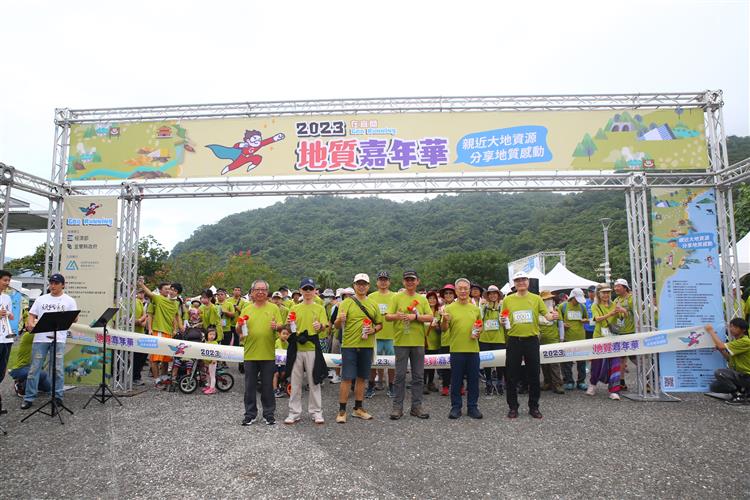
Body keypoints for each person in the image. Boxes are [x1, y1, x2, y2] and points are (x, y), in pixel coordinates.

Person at [502, 271, 558, 419]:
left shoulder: (536, 298)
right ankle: (513, 407)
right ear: (514, 283)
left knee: (533, 374)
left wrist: (552, 316)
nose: (521, 282)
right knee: (511, 375)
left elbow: (546, 315)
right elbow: (504, 317)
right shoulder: (508, 300)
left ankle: (534, 407)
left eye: (523, 280)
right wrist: (503, 320)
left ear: (528, 282)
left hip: (532, 340)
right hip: (514, 340)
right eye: (518, 280)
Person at [21, 273, 78, 410]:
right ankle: (29, 398)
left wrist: (69, 317)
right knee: (34, 368)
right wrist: (29, 324)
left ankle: (57, 396)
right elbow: (32, 314)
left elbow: (75, 319)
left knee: (57, 369)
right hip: (40, 339)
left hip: (58, 339)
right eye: (51, 283)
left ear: (63, 285)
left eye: (56, 283)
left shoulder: (69, 300)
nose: (52, 286)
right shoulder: (41, 299)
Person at [334, 274, 383, 423]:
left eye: (364, 284)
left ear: (368, 286)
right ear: (354, 285)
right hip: (349, 345)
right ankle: (342, 411)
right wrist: (339, 320)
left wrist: (373, 330)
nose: (361, 286)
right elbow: (335, 326)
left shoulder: (373, 304)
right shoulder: (346, 303)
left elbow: (380, 324)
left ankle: (358, 408)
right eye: (358, 283)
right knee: (347, 378)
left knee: (362, 377)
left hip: (367, 345)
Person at [385, 269, 432, 420]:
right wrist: (396, 316)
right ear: (403, 282)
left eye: (413, 279)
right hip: (400, 342)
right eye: (407, 280)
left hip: (418, 342)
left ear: (418, 281)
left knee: (418, 376)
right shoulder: (396, 297)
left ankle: (416, 407)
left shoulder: (422, 299)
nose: (410, 282)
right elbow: (387, 317)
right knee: (399, 376)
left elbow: (430, 317)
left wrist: (416, 316)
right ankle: (397, 407)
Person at [238, 279, 284, 426]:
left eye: (263, 289)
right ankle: (250, 414)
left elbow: (281, 327)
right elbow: (238, 331)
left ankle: (269, 414)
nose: (260, 292)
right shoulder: (246, 309)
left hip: (268, 354)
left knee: (267, 386)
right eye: (257, 289)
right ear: (252, 292)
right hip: (250, 354)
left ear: (267, 292)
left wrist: (276, 326)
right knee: (249, 387)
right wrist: (239, 326)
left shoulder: (274, 308)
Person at [284, 278, 328, 425]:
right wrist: (290, 325)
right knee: (295, 382)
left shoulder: (320, 308)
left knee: (313, 381)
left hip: (312, 347)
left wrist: (319, 326)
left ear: (315, 290)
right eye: (305, 289)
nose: (308, 292)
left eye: (310, 289)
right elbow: (289, 328)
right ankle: (294, 413)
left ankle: (316, 412)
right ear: (300, 290)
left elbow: (325, 326)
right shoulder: (295, 308)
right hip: (297, 347)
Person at [442, 278, 483, 419]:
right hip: (456, 349)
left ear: (470, 289)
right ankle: (456, 407)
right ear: (456, 290)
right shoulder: (449, 308)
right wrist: (445, 320)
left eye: (466, 288)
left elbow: (480, 327)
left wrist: (478, 331)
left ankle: (472, 407)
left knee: (473, 380)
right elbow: (443, 329)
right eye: (460, 288)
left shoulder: (475, 309)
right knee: (456, 380)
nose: (463, 291)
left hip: (473, 349)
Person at [588, 283, 627, 400]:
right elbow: (597, 319)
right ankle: (593, 384)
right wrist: (611, 313)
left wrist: (623, 311)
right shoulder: (595, 306)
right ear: (598, 294)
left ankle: (614, 390)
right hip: (599, 338)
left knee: (615, 363)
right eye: (604, 292)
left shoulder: (614, 304)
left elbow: (622, 317)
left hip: (613, 337)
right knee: (597, 364)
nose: (606, 294)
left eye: (608, 292)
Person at [141, 280, 183, 388]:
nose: (171, 291)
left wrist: (177, 328)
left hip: (169, 333)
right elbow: (150, 294)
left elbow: (175, 317)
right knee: (155, 358)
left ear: (178, 293)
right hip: (158, 331)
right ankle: (157, 380)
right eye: (170, 289)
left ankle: (164, 377)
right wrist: (141, 284)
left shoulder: (177, 303)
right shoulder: (159, 299)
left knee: (166, 358)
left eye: (174, 290)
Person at [367, 271, 396, 398]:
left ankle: (392, 386)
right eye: (381, 279)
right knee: (373, 363)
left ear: (389, 282)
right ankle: (371, 386)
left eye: (385, 279)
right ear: (377, 282)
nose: (383, 282)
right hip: (375, 335)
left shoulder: (396, 296)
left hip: (392, 335)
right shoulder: (371, 297)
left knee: (392, 364)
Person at [706, 318, 750, 403]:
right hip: (742, 376)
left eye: (735, 327)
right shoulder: (737, 341)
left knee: (720, 373)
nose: (731, 329)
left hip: (747, 376)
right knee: (714, 386)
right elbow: (729, 358)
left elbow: (721, 345)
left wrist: (711, 331)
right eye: (731, 326)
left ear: (743, 329)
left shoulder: (745, 341)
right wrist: (720, 350)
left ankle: (738, 396)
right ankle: (744, 391)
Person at [558, 287, 589, 391]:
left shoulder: (583, 306)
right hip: (567, 337)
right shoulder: (563, 306)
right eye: (576, 299)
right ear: (572, 297)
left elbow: (586, 318)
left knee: (581, 361)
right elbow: (559, 322)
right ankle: (568, 380)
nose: (578, 302)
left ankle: (581, 381)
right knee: (567, 361)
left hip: (580, 337)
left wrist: (584, 320)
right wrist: (563, 325)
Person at [479, 285, 505, 396]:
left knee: (500, 363)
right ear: (488, 296)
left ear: (498, 295)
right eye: (490, 294)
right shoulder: (483, 307)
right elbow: (479, 319)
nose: (493, 295)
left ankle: (499, 382)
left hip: (499, 339)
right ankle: (488, 382)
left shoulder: (503, 306)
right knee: (487, 363)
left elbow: (506, 322)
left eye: (495, 293)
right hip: (485, 339)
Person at [539, 290, 564, 395]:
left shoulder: (556, 310)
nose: (548, 301)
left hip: (554, 339)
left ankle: (557, 384)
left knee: (555, 363)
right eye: (545, 299)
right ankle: (547, 382)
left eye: (550, 298)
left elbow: (561, 324)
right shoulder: (537, 310)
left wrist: (562, 338)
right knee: (544, 362)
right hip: (541, 340)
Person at [613, 278, 635, 390]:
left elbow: (639, 314)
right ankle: (621, 382)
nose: (615, 288)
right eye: (615, 286)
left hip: (631, 332)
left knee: (636, 359)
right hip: (620, 332)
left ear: (625, 287)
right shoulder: (616, 300)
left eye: (618, 286)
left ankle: (649, 379)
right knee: (621, 359)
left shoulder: (632, 298)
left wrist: (624, 311)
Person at [438, 283, 457, 396]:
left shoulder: (459, 306)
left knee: (458, 366)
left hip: (457, 340)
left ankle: (459, 386)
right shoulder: (440, 308)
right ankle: (445, 386)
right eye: (446, 293)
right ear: (443, 296)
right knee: (445, 365)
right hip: (445, 340)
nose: (448, 295)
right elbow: (437, 325)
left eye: (450, 293)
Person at [0, 270, 14, 414]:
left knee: (2, 371)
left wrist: (9, 314)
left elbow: (10, 315)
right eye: (5, 280)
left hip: (6, 338)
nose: (7, 283)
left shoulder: (7, 298)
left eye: (8, 280)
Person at [424, 290, 442, 393]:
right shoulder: (423, 311)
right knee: (424, 364)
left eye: (434, 298)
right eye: (429, 298)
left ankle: (431, 382)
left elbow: (441, 330)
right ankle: (424, 384)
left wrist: (437, 327)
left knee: (433, 363)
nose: (432, 300)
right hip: (424, 341)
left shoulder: (439, 312)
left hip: (435, 341)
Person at [131, 288, 149, 386]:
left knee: (141, 356)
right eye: (140, 292)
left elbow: (142, 322)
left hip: (140, 334)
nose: (142, 294)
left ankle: (136, 376)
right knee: (136, 357)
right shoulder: (129, 303)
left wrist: (141, 320)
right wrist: (141, 319)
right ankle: (135, 377)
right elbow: (134, 321)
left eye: (143, 292)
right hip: (130, 334)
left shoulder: (140, 303)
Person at [202, 326, 220, 395]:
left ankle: (212, 388)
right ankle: (209, 385)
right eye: (210, 334)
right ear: (207, 335)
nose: (212, 336)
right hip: (206, 361)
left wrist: (214, 359)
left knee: (212, 375)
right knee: (207, 374)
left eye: (214, 334)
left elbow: (216, 352)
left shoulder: (215, 343)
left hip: (212, 362)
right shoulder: (206, 342)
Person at [273, 329, 290, 398]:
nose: (285, 335)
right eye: (283, 333)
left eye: (287, 334)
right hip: (275, 360)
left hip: (282, 360)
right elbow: (280, 350)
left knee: (283, 373)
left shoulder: (287, 343)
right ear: (279, 334)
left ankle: (280, 384)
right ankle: (274, 390)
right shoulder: (278, 341)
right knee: (276, 374)